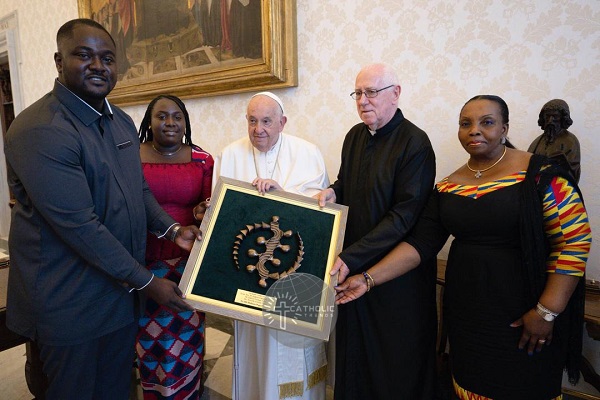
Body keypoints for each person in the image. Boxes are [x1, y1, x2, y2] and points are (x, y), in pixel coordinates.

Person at [335, 95, 592, 399]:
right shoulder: (448, 186)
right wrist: (367, 279)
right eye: (465, 124)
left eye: (487, 122)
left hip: (526, 311)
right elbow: (420, 245)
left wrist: (546, 311)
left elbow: (574, 241)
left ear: (505, 127)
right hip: (468, 312)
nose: (474, 131)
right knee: (470, 386)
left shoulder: (540, 174)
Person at [4, 19, 199, 400]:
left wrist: (173, 231)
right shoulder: (40, 130)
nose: (98, 66)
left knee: (116, 388)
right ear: (59, 61)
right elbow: (80, 227)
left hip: (117, 294)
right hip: (68, 302)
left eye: (107, 58)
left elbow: (137, 189)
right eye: (85, 55)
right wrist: (147, 281)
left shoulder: (121, 121)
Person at [315, 63, 437, 399]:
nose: (363, 100)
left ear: (395, 94)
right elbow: (348, 182)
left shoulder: (415, 143)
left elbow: (404, 216)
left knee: (393, 363)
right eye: (358, 93)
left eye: (371, 92)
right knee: (355, 356)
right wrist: (333, 192)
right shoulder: (355, 136)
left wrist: (352, 257)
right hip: (353, 265)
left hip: (395, 276)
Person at [211, 91, 330, 400]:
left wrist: (284, 194)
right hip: (248, 280)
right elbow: (222, 215)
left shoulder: (308, 153)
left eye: (266, 121)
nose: (258, 129)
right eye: (252, 121)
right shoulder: (231, 154)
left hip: (294, 279)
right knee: (254, 347)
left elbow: (320, 216)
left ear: (282, 122)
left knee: (293, 349)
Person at [137, 94, 214, 399]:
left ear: (185, 122)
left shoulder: (202, 159)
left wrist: (200, 212)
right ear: (149, 121)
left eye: (177, 116)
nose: (170, 122)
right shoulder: (129, 156)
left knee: (187, 334)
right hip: (141, 263)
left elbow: (209, 209)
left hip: (187, 261)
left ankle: (188, 391)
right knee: (149, 337)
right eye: (162, 116)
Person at [528, 99, 581, 183]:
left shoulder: (570, 141)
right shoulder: (537, 142)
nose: (550, 121)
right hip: (535, 189)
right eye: (547, 116)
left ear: (563, 118)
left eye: (555, 117)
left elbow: (573, 170)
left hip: (558, 189)